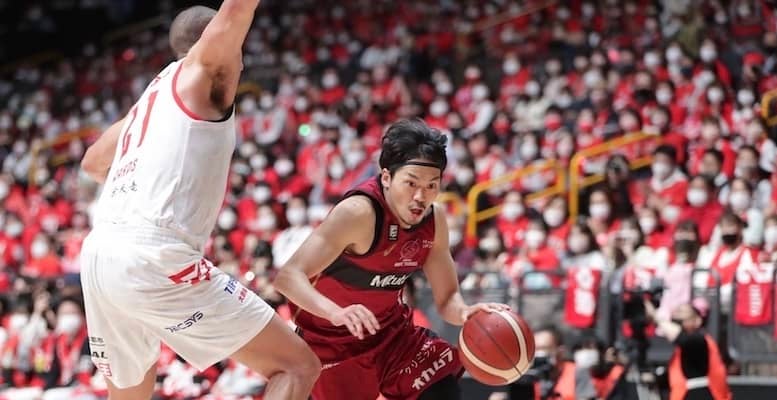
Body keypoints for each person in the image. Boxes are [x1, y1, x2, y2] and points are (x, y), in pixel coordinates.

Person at [78, 3, 320, 399]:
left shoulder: (152, 101)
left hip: (100, 254)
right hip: (152, 252)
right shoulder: (205, 71)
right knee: (297, 366)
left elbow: (92, 162)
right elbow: (235, 11)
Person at [274, 118, 510, 400]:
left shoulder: (434, 221)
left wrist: (464, 313)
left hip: (391, 335)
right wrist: (336, 313)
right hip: (332, 345)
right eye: (411, 183)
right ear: (386, 177)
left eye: (432, 185)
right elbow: (288, 277)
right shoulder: (358, 213)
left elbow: (447, 298)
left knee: (442, 390)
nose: (421, 196)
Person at [645, 301, 731, 400]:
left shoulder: (700, 340)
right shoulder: (680, 351)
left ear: (698, 320)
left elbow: (680, 337)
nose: (679, 317)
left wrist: (656, 317)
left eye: (684, 314)